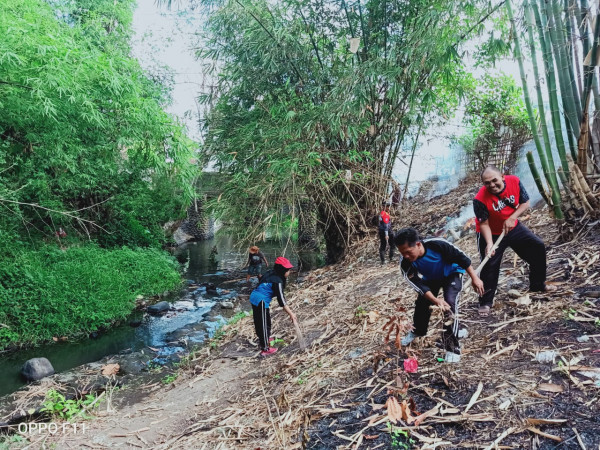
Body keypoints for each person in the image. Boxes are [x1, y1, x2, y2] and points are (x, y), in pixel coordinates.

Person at [473, 166, 555, 317]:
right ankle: (485, 302)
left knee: (537, 247)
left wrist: (512, 217)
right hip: (492, 233)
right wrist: (490, 244)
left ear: (502, 177)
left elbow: (525, 202)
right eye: (487, 183)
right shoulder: (479, 199)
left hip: (513, 227)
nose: (491, 185)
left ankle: (537, 285)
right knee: (489, 266)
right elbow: (483, 223)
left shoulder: (515, 182)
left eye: (494, 180)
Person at [394, 228, 484, 363]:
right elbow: (418, 284)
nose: (405, 256)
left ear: (418, 244)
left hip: (452, 273)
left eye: (408, 252)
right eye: (402, 253)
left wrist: (475, 278)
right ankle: (418, 330)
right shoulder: (405, 262)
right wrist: (435, 300)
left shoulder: (437, 244)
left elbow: (462, 258)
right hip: (431, 278)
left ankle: (452, 348)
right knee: (422, 304)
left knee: (449, 303)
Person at [249, 257, 297, 356]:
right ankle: (265, 349)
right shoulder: (278, 281)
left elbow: (261, 280)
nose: (289, 272)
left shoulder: (270, 272)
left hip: (255, 297)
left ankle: (265, 338)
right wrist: (291, 314)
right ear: (282, 271)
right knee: (263, 324)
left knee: (263, 321)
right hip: (260, 300)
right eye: (288, 270)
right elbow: (281, 300)